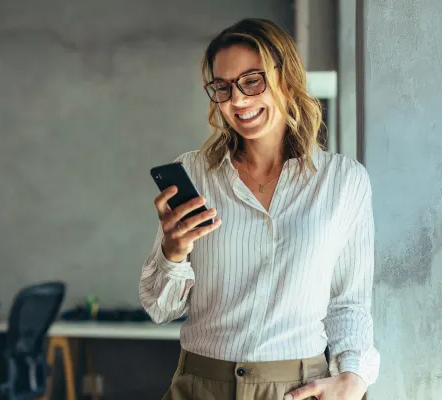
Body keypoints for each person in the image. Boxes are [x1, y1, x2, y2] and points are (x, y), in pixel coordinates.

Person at [139, 18, 380, 400]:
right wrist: (173, 252)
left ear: (287, 78)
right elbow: (160, 308)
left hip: (298, 388)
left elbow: (348, 302)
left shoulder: (343, 181)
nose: (237, 100)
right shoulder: (195, 174)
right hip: (200, 386)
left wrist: (354, 378)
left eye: (253, 80)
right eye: (223, 87)